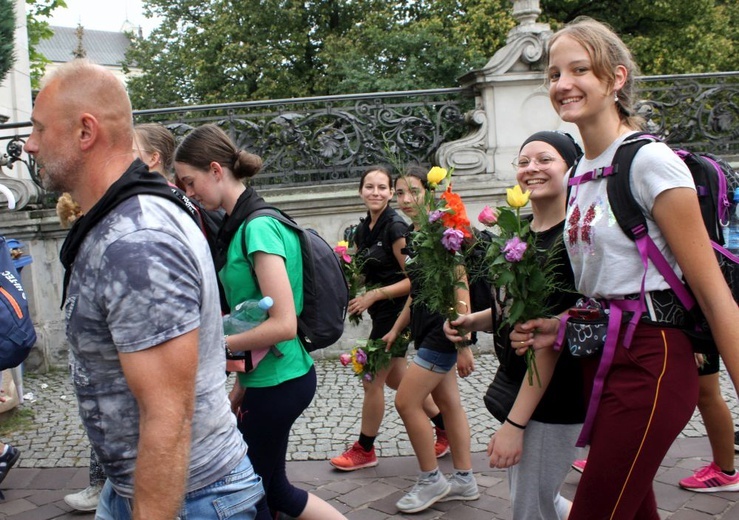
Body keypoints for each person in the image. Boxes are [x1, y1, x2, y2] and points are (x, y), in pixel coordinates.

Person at [510, 17, 739, 519]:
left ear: (615, 78)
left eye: (579, 69)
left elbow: (711, 289)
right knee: (632, 511)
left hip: (653, 362)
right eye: (553, 74)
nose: (562, 84)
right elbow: (607, 287)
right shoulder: (581, 176)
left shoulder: (650, 161)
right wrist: (558, 325)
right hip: (604, 358)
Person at [24, 60, 264, 519]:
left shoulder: (136, 242)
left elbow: (169, 417)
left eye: (39, 128)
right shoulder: (120, 220)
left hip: (186, 498)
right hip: (141, 488)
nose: (31, 144)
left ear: (84, 131)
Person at [174, 123, 346, 520]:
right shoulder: (241, 223)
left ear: (216, 170)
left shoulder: (257, 227)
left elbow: (282, 324)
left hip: (281, 382)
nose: (189, 193)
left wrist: (213, 347)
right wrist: (240, 389)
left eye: (190, 181)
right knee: (272, 492)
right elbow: (251, 319)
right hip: (268, 381)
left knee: (256, 496)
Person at [446, 130, 585, 519]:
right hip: (520, 389)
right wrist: (472, 320)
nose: (531, 169)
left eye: (545, 160)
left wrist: (514, 425)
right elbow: (515, 312)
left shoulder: (571, 242)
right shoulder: (521, 234)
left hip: (552, 399)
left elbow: (548, 340)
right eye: (523, 162)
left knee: (530, 508)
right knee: (541, 498)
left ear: (571, 168)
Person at [330, 165, 448, 472]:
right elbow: (362, 273)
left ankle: (365, 449)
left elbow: (415, 280)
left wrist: (376, 294)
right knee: (398, 378)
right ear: (360, 191)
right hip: (380, 311)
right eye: (370, 187)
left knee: (372, 380)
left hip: (399, 312)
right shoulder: (362, 229)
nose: (376, 193)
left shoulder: (395, 227)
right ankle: (445, 426)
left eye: (383, 188)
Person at [383, 166, 478, 514]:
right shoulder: (415, 231)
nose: (405, 200)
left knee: (406, 403)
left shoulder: (442, 230)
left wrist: (463, 339)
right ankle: (465, 480)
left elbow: (460, 281)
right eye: (400, 193)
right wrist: (396, 328)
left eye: (413, 192)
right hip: (426, 329)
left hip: (444, 331)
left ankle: (431, 479)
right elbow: (417, 290)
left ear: (429, 193)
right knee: (450, 404)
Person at [678, 354, 739, 492]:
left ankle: (725, 471)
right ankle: (724, 471)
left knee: (707, 394)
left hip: (698, 335)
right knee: (707, 394)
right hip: (697, 335)